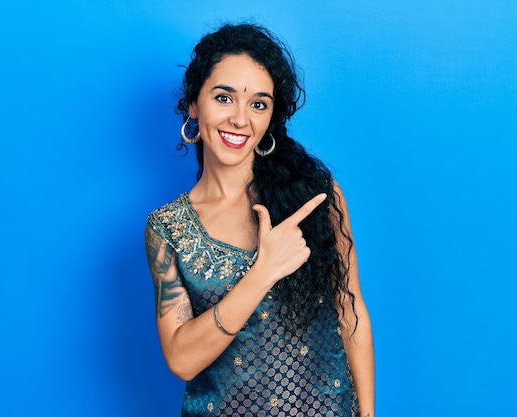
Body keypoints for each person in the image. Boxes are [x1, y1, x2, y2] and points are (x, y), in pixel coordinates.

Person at [145, 22, 375, 417]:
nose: (239, 119)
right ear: (194, 106)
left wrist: (369, 413)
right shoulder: (168, 229)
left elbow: (350, 310)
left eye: (258, 104)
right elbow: (181, 359)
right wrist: (263, 271)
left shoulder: (315, 195)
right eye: (224, 97)